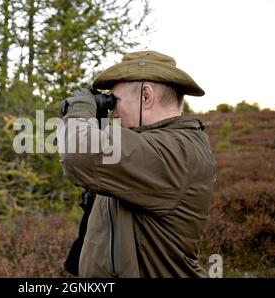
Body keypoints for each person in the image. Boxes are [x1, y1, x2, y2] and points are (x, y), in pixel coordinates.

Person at [57, 50, 216, 277]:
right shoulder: (152, 145)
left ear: (146, 96)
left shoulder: (174, 150)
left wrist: (80, 110)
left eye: (115, 101)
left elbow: (80, 156)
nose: (114, 112)